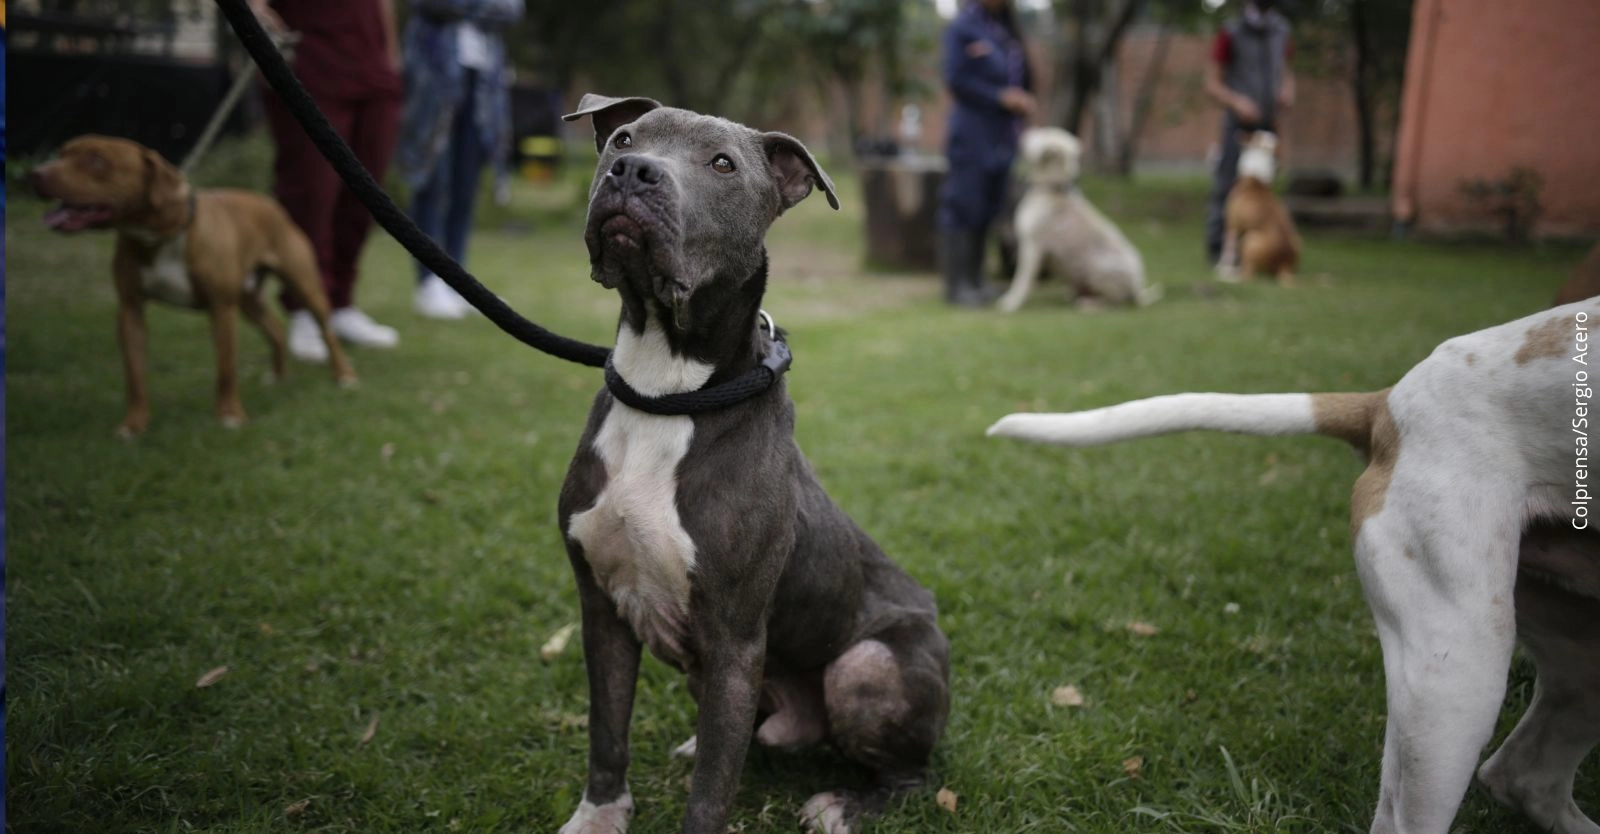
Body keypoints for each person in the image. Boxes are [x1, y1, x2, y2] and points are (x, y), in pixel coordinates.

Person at [248, 0, 404, 360]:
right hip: (309, 62)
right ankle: (305, 308)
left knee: (366, 194)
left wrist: (389, 61)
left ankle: (340, 303)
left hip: (372, 66)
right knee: (311, 192)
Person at [396, 0, 524, 320]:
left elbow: (511, 9)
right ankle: (428, 282)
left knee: (465, 186)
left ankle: (457, 282)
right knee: (432, 181)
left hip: (482, 85)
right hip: (434, 79)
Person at [937, 0, 1036, 307]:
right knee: (964, 204)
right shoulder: (963, 27)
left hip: (1004, 135)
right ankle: (958, 285)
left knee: (989, 207)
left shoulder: (1006, 28)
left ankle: (977, 280)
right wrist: (999, 97)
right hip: (971, 133)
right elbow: (955, 79)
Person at [1203, 0, 1294, 266]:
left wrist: (1288, 90)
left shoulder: (1282, 30)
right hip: (1238, 126)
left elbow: (1287, 72)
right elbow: (1211, 83)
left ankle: (1264, 253)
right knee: (1228, 188)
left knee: (1269, 191)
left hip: (1269, 124)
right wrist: (1237, 103)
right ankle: (1219, 252)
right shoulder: (1231, 31)